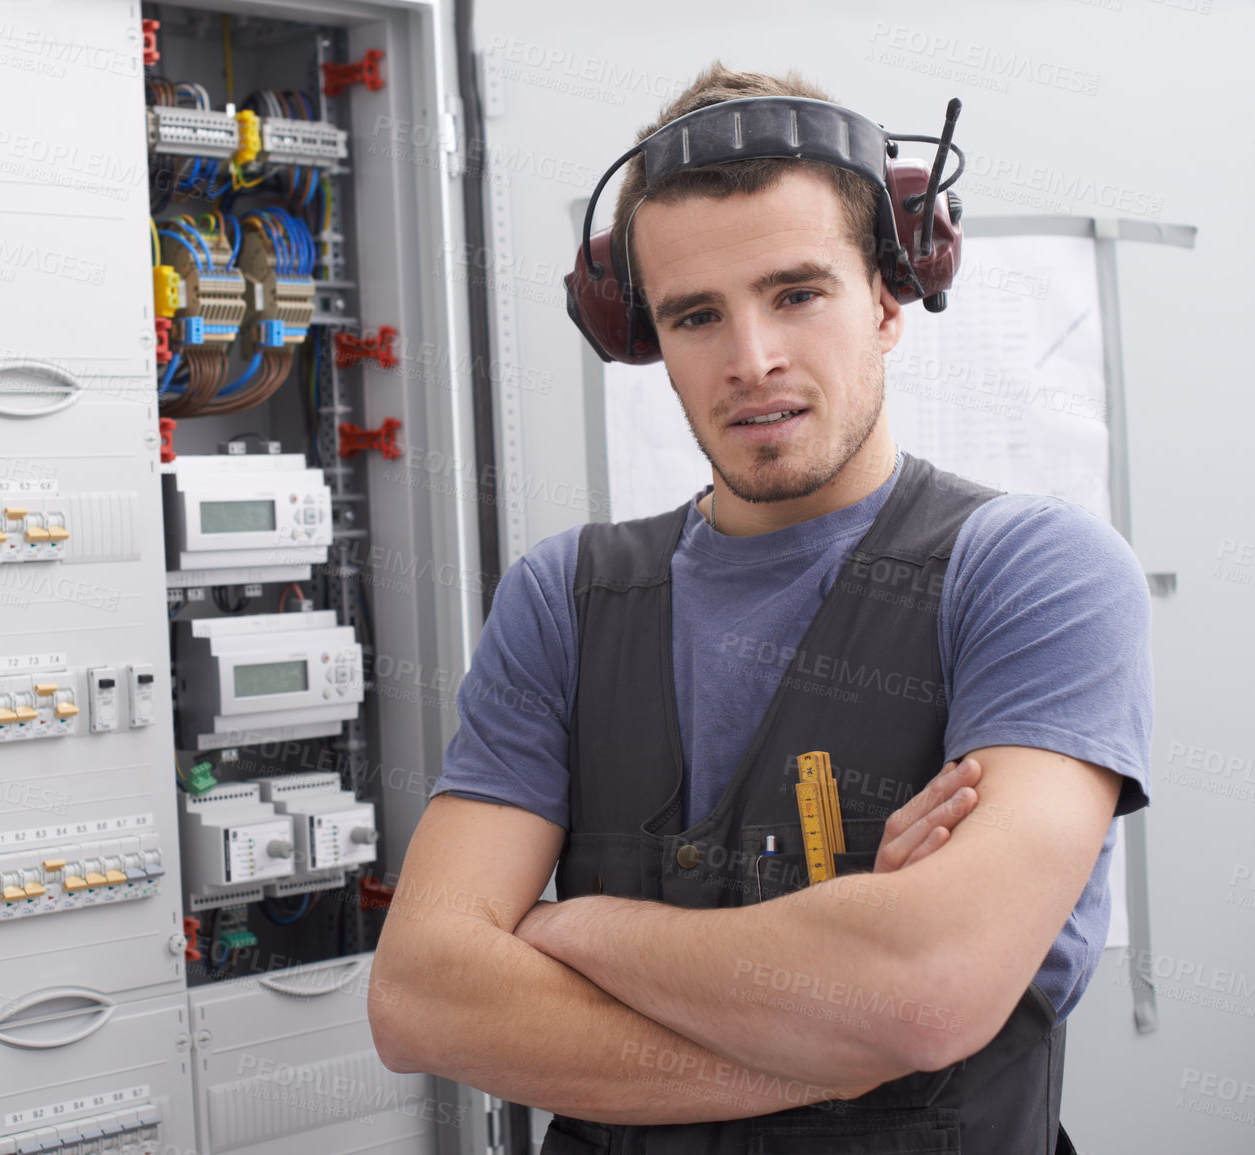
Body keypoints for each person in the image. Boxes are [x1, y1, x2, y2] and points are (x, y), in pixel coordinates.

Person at [367, 62, 1152, 1155]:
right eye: (695, 315)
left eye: (796, 292)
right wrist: (837, 1031)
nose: (752, 361)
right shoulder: (566, 601)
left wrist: (578, 928)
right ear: (646, 338)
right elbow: (421, 998)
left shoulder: (1036, 576)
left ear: (887, 298)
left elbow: (926, 993)